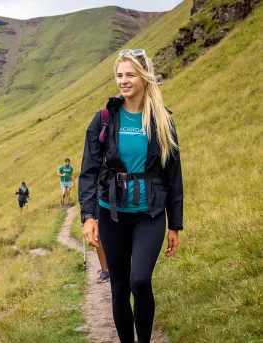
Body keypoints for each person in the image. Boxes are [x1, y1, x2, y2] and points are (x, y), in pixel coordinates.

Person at [78, 49, 183, 343]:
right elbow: (88, 171)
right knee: (120, 286)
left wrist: (175, 224)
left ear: (144, 77)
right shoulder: (103, 119)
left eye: (129, 75)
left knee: (140, 280)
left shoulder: (162, 121)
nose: (123, 81)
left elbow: (173, 175)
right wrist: (88, 217)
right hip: (111, 213)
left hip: (150, 212)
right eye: (119, 75)